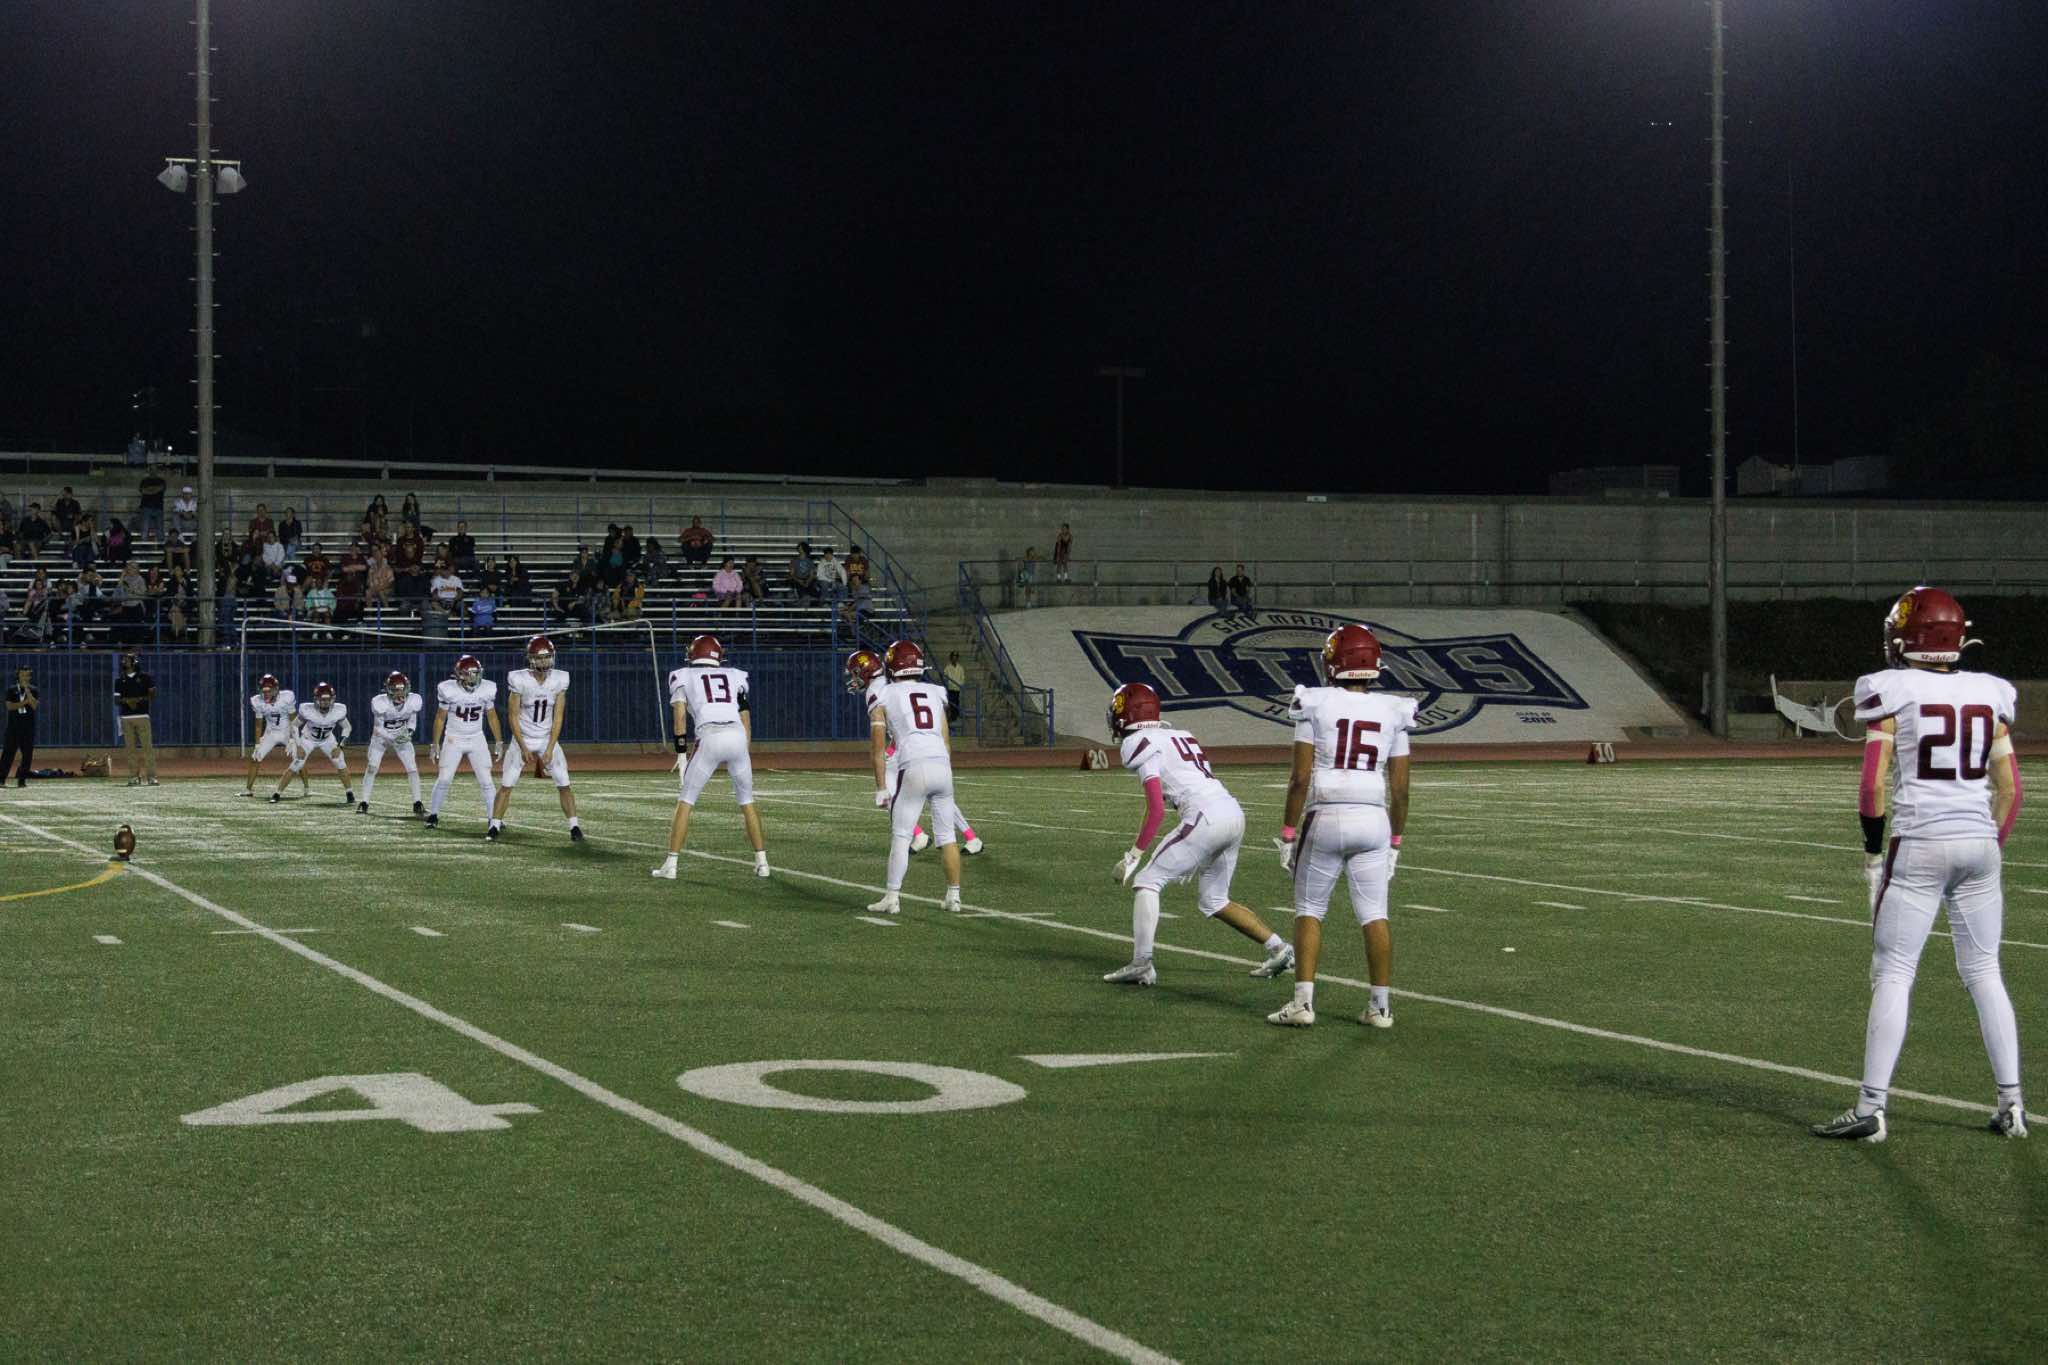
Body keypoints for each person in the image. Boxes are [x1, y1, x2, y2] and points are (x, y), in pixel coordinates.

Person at [1812, 587, 2027, 1143]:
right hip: (1979, 842)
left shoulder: (1890, 689)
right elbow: (2010, 790)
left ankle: (1871, 1107)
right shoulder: (1991, 692)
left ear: (1909, 637)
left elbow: (1872, 785)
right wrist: (1988, 848)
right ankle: (2012, 1105)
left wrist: (1871, 847)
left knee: (1894, 971)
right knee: (1985, 972)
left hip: (1920, 843)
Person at [1098, 681, 1294, 989]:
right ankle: (1279, 948)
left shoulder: (1138, 742)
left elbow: (1156, 809)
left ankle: (1141, 964)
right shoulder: (1179, 735)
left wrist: (1133, 856)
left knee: (1147, 881)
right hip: (1232, 812)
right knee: (1214, 900)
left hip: (1205, 818)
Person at [1268, 625, 1417, 1027]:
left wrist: (1287, 833)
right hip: (1374, 817)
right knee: (1375, 913)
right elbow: (1401, 790)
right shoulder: (1394, 709)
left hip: (1328, 813)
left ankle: (1302, 1004)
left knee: (1309, 910)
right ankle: (1380, 1007)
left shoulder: (1314, 702)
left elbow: (1299, 779)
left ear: (1333, 662)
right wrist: (1395, 842)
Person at [651, 634, 770, 881]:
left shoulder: (683, 675)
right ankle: (763, 863)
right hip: (737, 735)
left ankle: (671, 864)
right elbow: (745, 716)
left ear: (694, 654)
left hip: (710, 735)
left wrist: (681, 754)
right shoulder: (734, 675)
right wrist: (743, 750)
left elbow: (680, 718)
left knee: (686, 801)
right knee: (747, 801)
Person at [862, 641, 964, 915]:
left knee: (901, 835)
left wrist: (881, 786)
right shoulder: (935, 691)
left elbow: (878, 748)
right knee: (947, 837)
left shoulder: (884, 693)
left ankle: (892, 897)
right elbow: (946, 739)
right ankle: (953, 897)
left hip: (913, 764)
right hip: (942, 765)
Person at [489, 634, 581, 842]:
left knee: (564, 783)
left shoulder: (559, 679)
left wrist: (549, 748)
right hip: (523, 737)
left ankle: (574, 826)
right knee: (507, 784)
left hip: (547, 737)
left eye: (547, 657)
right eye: (540, 658)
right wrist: (523, 747)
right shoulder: (519, 679)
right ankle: (494, 825)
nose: (544, 661)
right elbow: (513, 716)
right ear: (531, 659)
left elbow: (558, 717)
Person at [427, 655, 504, 830]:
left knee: (486, 780)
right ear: (459, 675)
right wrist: (435, 743)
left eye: (476, 673)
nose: (473, 677)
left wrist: (499, 741)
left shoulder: (487, 688)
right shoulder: (448, 689)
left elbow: (492, 716)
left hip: (477, 738)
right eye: (469, 674)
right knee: (444, 778)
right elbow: (440, 717)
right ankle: (433, 815)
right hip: (454, 738)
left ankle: (493, 818)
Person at [273, 681, 353, 805]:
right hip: (308, 739)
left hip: (327, 739)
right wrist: (298, 745)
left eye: (328, 699)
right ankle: (277, 793)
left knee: (340, 762)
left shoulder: (339, 710)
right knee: (297, 764)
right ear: (316, 700)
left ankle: (350, 793)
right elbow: (294, 725)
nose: (325, 702)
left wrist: (340, 746)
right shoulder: (307, 709)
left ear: (333, 699)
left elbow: (347, 727)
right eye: (322, 699)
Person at [359, 671, 426, 816]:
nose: (399, 693)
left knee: (412, 768)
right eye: (395, 690)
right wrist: (392, 739)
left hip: (401, 735)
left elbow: (412, 721)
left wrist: (408, 733)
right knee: (372, 767)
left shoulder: (413, 700)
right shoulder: (380, 702)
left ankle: (418, 802)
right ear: (389, 690)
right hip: (381, 737)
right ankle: (364, 802)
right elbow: (378, 728)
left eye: (402, 689)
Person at [243, 674, 309, 798]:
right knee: (255, 758)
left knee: (299, 758)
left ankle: (307, 788)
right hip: (271, 733)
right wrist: (257, 744)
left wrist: (292, 739)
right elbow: (258, 725)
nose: (266, 694)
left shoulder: (287, 697)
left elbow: (294, 720)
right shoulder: (257, 701)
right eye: (264, 691)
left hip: (287, 731)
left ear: (276, 689)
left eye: (269, 691)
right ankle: (248, 789)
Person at [114, 652, 158, 787]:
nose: (124, 662)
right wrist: (127, 701)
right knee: (130, 749)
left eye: (127, 660)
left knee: (147, 747)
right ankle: (134, 776)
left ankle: (151, 776)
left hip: (142, 715)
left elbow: (152, 695)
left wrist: (137, 700)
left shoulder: (145, 677)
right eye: (123, 660)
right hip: (126, 717)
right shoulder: (119, 680)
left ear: (134, 662)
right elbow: (116, 700)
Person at [2, 666, 39, 788]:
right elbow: (10, 706)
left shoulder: (33, 690)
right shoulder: (11, 690)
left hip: (28, 728)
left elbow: (34, 705)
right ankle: (1, 779)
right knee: (8, 754)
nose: (25, 677)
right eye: (22, 675)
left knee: (27, 755)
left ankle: (22, 781)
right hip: (13, 727)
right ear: (18, 675)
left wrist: (27, 691)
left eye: (27, 675)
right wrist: (24, 702)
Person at [167, 487, 197, 573]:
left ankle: (196, 534)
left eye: (188, 494)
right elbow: (177, 511)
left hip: (191, 523)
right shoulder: (178, 502)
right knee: (175, 516)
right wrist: (184, 513)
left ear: (191, 495)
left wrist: (189, 514)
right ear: (183, 494)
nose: (187, 495)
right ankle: (179, 534)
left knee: (200, 516)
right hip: (182, 523)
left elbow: (194, 513)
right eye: (185, 494)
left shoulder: (195, 502)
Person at [136, 467, 167, 540]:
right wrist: (155, 490)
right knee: (145, 527)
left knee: (160, 527)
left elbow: (160, 488)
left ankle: (160, 544)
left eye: (155, 469)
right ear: (149, 471)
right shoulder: (144, 481)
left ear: (157, 471)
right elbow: (143, 491)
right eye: (152, 470)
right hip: (146, 507)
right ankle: (144, 543)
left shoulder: (161, 481)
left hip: (158, 507)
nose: (153, 471)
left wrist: (149, 490)